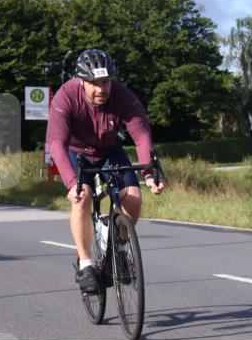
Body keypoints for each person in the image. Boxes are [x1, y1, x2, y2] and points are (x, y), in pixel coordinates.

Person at [45, 49, 164, 294]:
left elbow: (141, 135)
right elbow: (57, 143)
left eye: (106, 82)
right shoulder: (65, 97)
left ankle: (119, 247)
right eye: (95, 84)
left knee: (133, 196)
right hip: (77, 153)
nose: (101, 89)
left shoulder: (123, 97)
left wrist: (149, 175)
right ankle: (86, 264)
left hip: (109, 150)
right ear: (81, 81)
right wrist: (71, 183)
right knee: (83, 196)